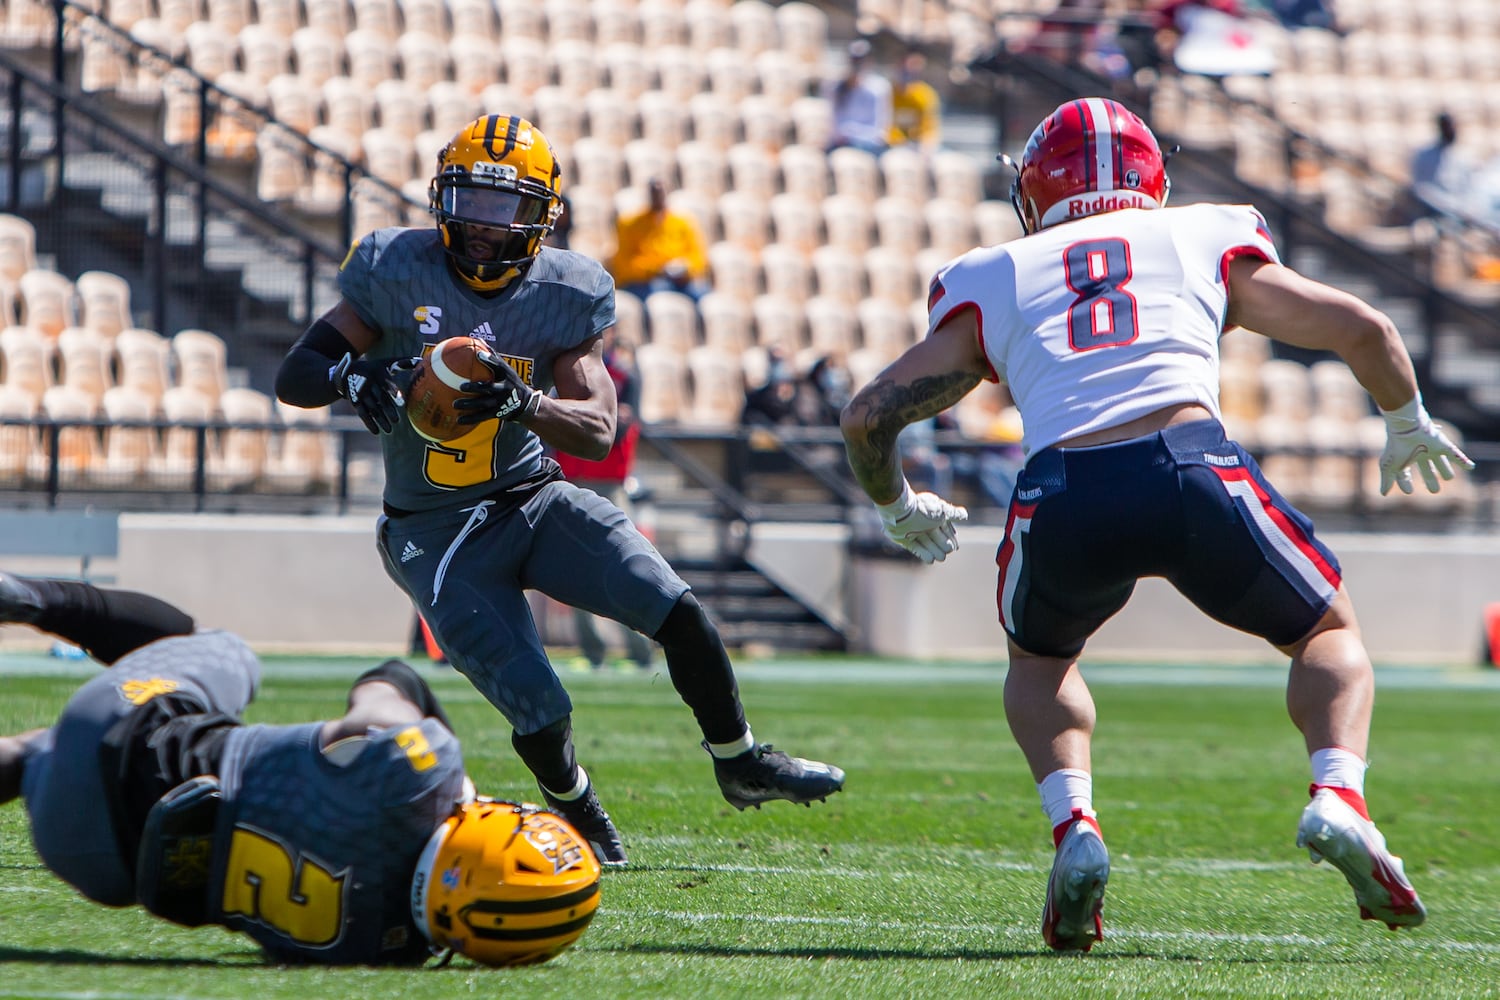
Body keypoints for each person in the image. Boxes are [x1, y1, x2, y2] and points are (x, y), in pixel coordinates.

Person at [840, 98, 1472, 953]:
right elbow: (1365, 326)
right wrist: (1405, 419)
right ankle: (1338, 796)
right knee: (1326, 633)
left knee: (1040, 663)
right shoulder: (1205, 232)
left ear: (1033, 192)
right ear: (1152, 178)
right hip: (1192, 467)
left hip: (1062, 491)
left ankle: (1077, 828)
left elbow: (867, 416)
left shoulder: (993, 272)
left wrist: (896, 505)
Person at [273, 114, 845, 869]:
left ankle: (739, 759)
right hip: (434, 528)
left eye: (503, 207)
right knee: (539, 701)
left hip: (530, 497)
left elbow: (598, 430)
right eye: (471, 201)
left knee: (676, 609)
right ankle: (574, 803)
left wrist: (527, 403)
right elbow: (295, 374)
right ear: (444, 200)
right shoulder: (393, 269)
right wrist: (355, 374)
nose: (483, 225)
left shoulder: (563, 294)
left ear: (539, 216)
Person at [0, 571, 601, 967]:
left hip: (118, 735)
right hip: (93, 861)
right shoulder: (385, 949)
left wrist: (434, 752)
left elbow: (389, 682)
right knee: (38, 756)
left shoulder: (421, 776)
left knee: (228, 653)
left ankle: (30, 600)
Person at [552, 325, 656, 673]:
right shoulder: (559, 371)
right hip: (570, 479)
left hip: (610, 482)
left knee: (626, 564)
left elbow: (623, 425)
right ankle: (593, 651)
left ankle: (640, 650)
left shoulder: (623, 377)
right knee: (575, 568)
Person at [608, 176, 711, 304]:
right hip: (643, 282)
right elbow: (623, 264)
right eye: (654, 192)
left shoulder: (682, 223)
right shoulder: (629, 224)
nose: (658, 196)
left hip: (677, 281)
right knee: (659, 295)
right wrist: (656, 269)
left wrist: (685, 268)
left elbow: (697, 257)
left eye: (661, 192)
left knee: (702, 294)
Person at [823, 39, 892, 157]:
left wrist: (853, 135)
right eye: (854, 60)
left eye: (861, 61)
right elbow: (833, 124)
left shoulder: (879, 88)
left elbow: (879, 130)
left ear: (869, 62)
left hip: (869, 145)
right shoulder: (836, 87)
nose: (857, 65)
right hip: (841, 143)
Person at [888, 50, 942, 153]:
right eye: (905, 69)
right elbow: (883, 126)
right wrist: (897, 140)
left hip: (917, 144)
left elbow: (930, 129)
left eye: (914, 70)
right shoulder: (887, 92)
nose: (908, 73)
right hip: (891, 145)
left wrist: (926, 146)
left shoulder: (926, 95)